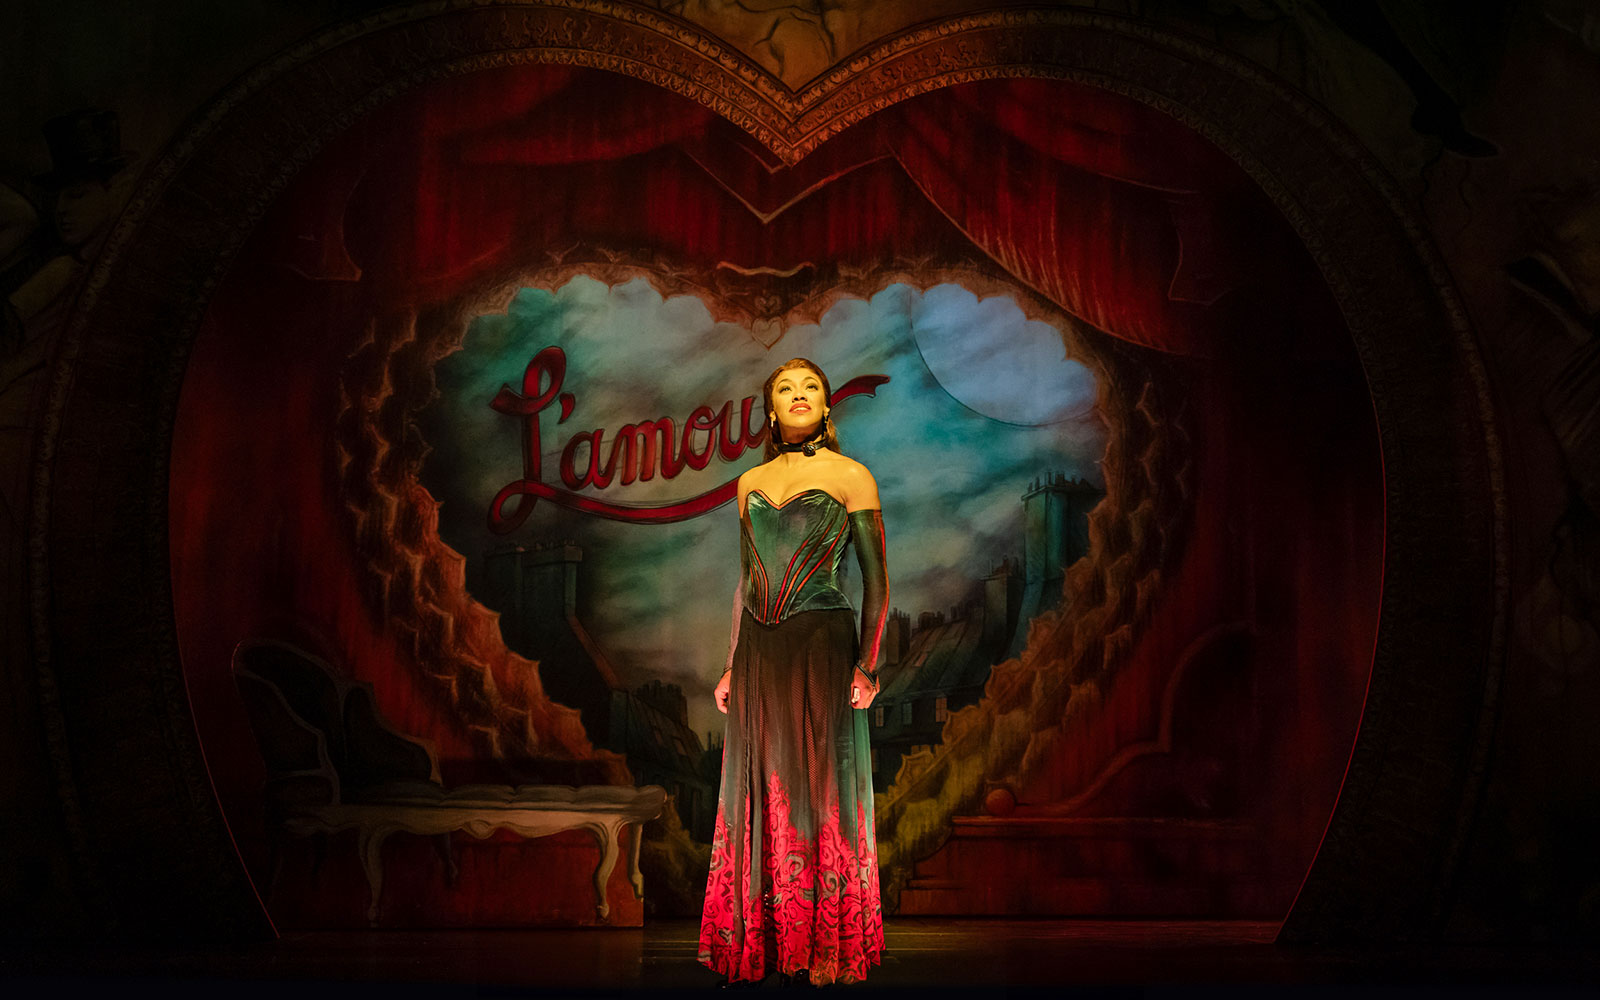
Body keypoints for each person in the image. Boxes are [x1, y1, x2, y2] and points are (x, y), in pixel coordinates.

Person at [698, 358, 888, 987]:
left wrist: (867, 663)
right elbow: (745, 579)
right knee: (762, 784)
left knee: (816, 784)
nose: (798, 395)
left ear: (827, 407)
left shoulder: (851, 476)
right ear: (771, 409)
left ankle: (825, 942)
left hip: (820, 645)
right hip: (758, 649)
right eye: (786, 388)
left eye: (810, 387)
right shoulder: (747, 481)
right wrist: (729, 665)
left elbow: (878, 583)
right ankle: (772, 942)